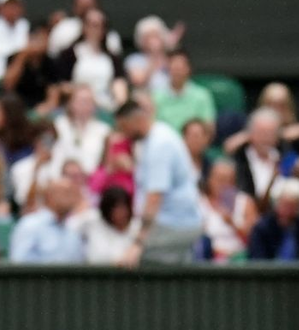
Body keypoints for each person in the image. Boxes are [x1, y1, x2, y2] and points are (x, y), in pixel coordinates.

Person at [116, 96, 203, 264]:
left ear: (136, 120)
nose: (123, 134)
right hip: (174, 223)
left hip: (175, 224)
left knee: (138, 260)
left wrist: (138, 243)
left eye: (124, 127)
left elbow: (155, 197)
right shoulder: (156, 137)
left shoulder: (159, 145)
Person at [245, 176, 299, 261]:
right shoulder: (262, 229)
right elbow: (258, 262)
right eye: (284, 204)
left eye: (292, 206)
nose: (287, 210)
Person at [8, 177, 85, 262]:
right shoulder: (30, 225)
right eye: (66, 193)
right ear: (49, 196)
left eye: (73, 193)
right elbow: (19, 263)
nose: (72, 197)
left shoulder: (72, 230)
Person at [200, 158, 258, 260]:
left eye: (228, 180)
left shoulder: (245, 202)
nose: (223, 184)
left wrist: (232, 222)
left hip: (239, 259)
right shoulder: (199, 203)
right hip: (207, 259)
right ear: (209, 180)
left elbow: (254, 238)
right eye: (219, 179)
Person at [154, 51, 216, 135]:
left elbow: (209, 128)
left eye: (181, 68)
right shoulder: (155, 96)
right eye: (174, 68)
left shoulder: (202, 95)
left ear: (188, 69)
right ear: (168, 69)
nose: (177, 72)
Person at [75, 185, 137, 264]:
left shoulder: (138, 227)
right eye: (115, 208)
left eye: (123, 207)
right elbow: (70, 227)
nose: (120, 213)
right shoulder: (92, 220)